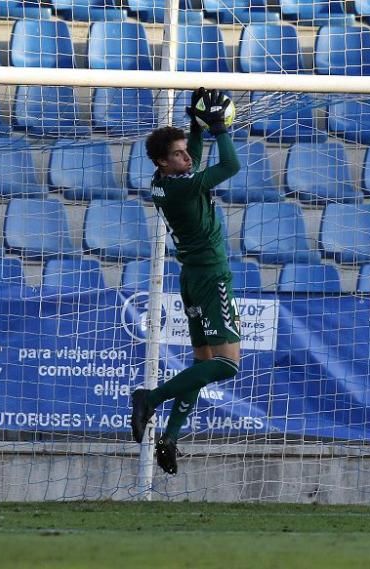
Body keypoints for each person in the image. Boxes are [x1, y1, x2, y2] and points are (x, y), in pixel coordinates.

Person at [130, 88, 242, 475]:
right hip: (212, 277)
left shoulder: (163, 181)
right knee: (227, 366)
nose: (186, 156)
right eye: (178, 153)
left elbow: (193, 158)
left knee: (202, 360)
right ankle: (151, 398)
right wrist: (218, 130)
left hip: (191, 276)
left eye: (184, 150)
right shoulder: (183, 186)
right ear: (163, 161)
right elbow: (230, 166)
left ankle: (171, 436)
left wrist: (194, 126)